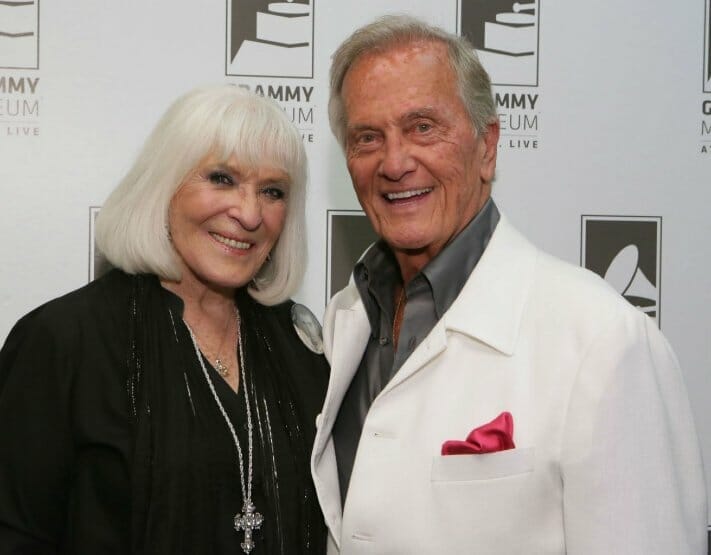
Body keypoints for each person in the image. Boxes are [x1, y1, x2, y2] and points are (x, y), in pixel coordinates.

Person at [311, 15, 707, 554]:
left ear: (487, 146)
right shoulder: (343, 319)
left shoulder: (602, 340)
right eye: (367, 138)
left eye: (423, 127)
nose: (395, 162)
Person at [0, 85, 328, 554]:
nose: (249, 213)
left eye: (272, 191)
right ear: (163, 186)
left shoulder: (299, 346)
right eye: (221, 178)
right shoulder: (64, 340)